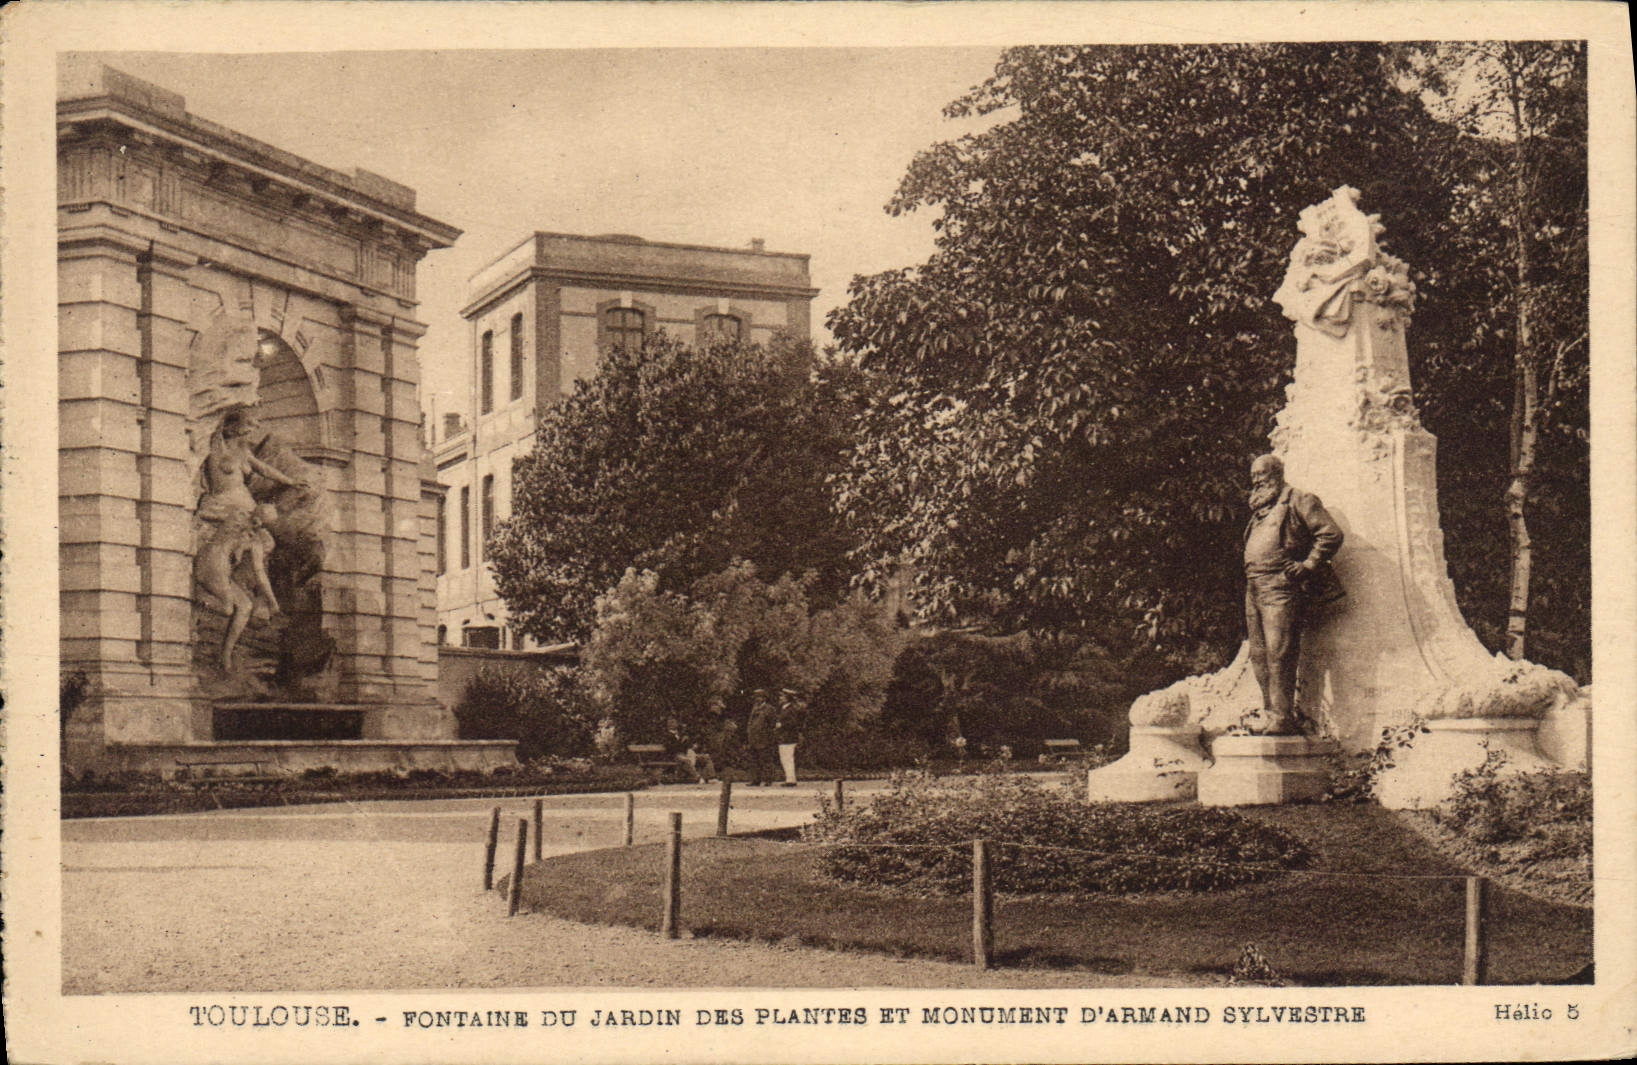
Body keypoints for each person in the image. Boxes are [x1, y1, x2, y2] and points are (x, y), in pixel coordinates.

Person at [194, 409, 309, 671]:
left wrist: (290, 481)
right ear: (232, 428)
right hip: (222, 507)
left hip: (244, 510)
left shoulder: (244, 453)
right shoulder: (216, 446)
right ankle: (209, 597)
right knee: (257, 550)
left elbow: (265, 469)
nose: (249, 432)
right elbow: (214, 424)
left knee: (264, 546)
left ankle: (226, 655)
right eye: (246, 427)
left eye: (251, 429)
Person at [1242, 454, 1344, 734]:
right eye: (1254, 476)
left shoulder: (1299, 499)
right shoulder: (1261, 510)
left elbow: (1330, 534)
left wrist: (1308, 564)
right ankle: (1270, 714)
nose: (1257, 480)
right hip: (1254, 587)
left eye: (1262, 474)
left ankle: (1282, 718)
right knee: (1259, 654)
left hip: (1281, 586)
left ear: (1277, 473)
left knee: (1279, 652)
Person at [745, 695, 780, 787]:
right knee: (754, 760)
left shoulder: (769, 709)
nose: (756, 699)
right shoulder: (755, 708)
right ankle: (755, 780)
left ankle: (768, 780)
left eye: (759, 697)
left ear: (764, 698)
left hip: (764, 738)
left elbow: (772, 724)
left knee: (766, 760)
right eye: (755, 697)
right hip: (753, 738)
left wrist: (769, 737)